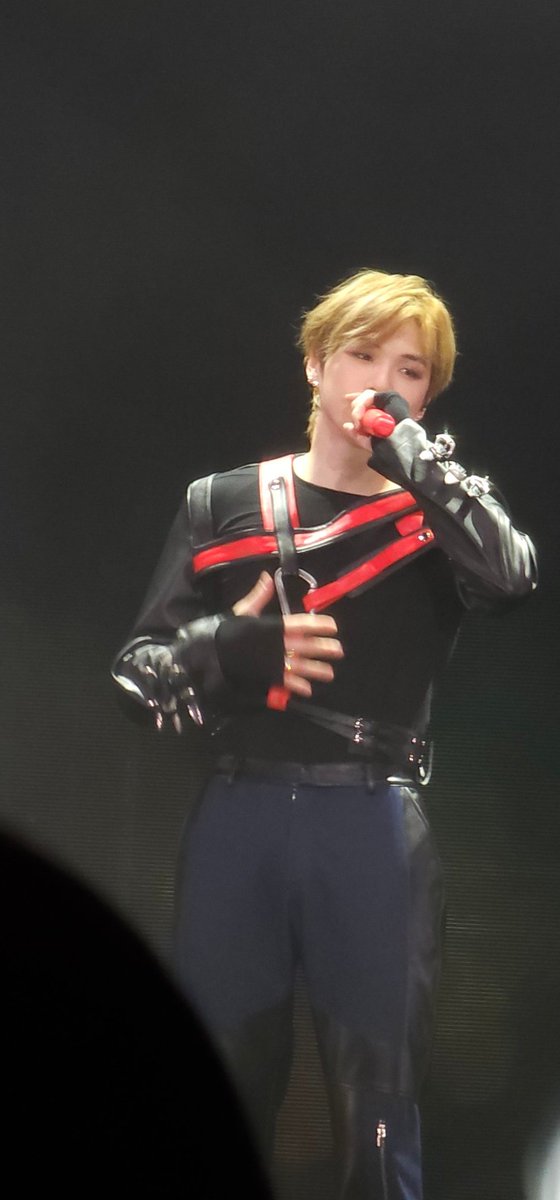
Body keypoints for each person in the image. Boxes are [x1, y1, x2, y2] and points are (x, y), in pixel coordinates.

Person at [113, 269, 537, 1199]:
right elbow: (136, 674)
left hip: (371, 827)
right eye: (362, 355)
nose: (382, 382)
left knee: (375, 1113)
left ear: (428, 394)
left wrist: (412, 456)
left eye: (410, 371)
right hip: (239, 818)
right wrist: (225, 647)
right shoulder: (219, 503)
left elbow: (512, 578)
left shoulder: (435, 516)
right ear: (314, 364)